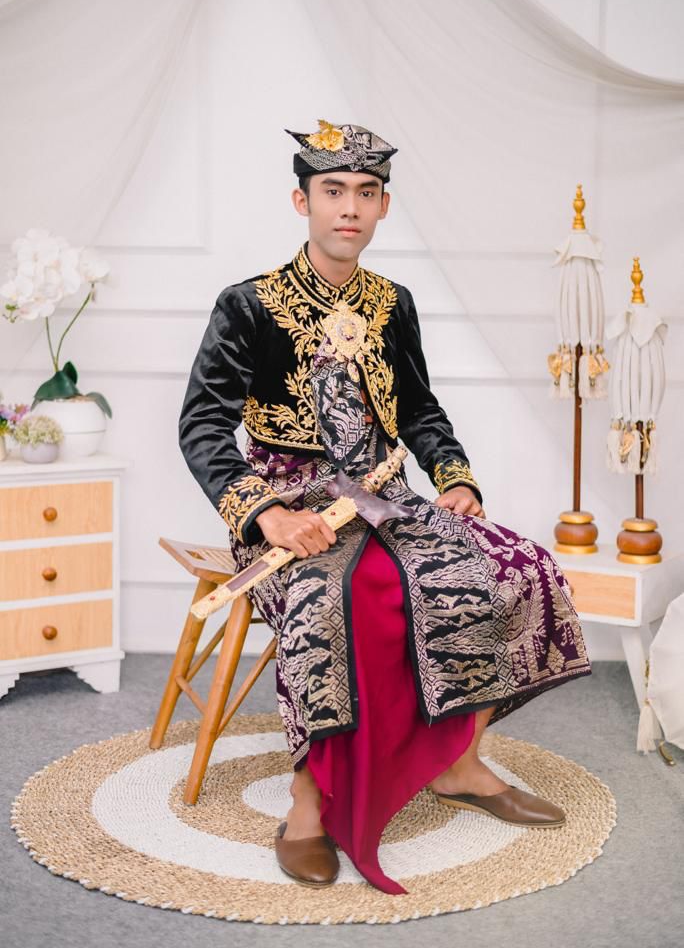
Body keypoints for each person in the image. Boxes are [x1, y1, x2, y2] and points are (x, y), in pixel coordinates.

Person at [178, 118, 592, 895]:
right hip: (289, 506)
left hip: (387, 497)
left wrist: (455, 478)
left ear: (383, 207)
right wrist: (266, 516)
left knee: (515, 570)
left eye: (366, 193)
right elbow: (202, 425)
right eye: (333, 191)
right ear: (301, 201)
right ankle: (308, 803)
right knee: (331, 596)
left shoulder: (393, 303)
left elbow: (421, 411)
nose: (350, 208)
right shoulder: (248, 304)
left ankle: (460, 762)